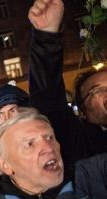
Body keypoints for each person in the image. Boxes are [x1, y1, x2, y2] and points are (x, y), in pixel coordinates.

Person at [28, 0, 107, 166]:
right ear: (83, 112)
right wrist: (46, 38)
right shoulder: (81, 144)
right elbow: (48, 97)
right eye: (97, 90)